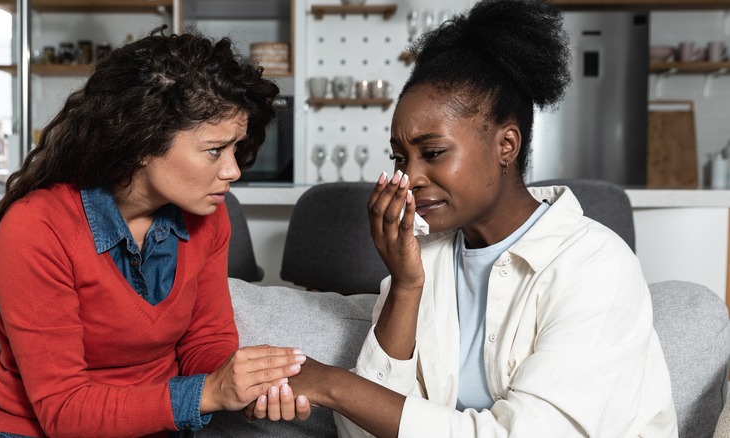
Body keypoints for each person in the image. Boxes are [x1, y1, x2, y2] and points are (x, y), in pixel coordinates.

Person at [286, 0, 678, 436]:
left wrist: (334, 385)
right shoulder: (424, 264)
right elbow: (361, 431)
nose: (408, 177)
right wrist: (405, 284)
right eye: (399, 157)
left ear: (506, 145)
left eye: (432, 153)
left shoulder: (596, 265)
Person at [0, 27, 309, 437]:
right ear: (144, 141)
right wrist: (208, 393)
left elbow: (205, 341)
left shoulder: (209, 217)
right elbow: (63, 411)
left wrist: (250, 388)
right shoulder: (36, 228)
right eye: (214, 149)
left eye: (236, 148)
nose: (233, 170)